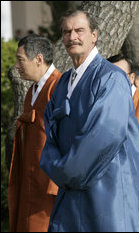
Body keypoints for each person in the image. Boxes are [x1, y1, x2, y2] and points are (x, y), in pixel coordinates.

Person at [39, 10, 139, 231]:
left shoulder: (111, 77)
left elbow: (104, 134)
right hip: (71, 184)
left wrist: (66, 171)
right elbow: (50, 131)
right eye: (66, 32)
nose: (72, 37)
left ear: (94, 35)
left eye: (79, 31)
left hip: (108, 184)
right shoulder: (65, 81)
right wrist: (55, 166)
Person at [8, 34, 61, 232]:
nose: (17, 66)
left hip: (49, 183)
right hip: (30, 178)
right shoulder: (32, 91)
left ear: (38, 59)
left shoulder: (59, 86)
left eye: (21, 60)